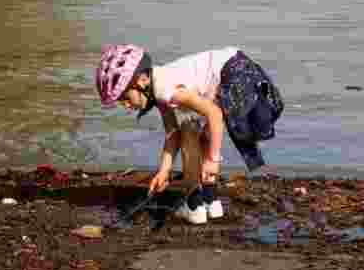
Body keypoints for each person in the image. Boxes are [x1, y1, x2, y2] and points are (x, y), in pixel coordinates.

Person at [95, 46, 284, 225]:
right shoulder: (161, 86)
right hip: (238, 66)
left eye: (126, 98)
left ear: (143, 80)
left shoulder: (167, 91)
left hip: (234, 73)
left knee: (189, 131)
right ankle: (210, 200)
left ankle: (194, 206)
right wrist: (164, 171)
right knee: (192, 128)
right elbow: (171, 133)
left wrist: (212, 159)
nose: (126, 106)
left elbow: (214, 115)